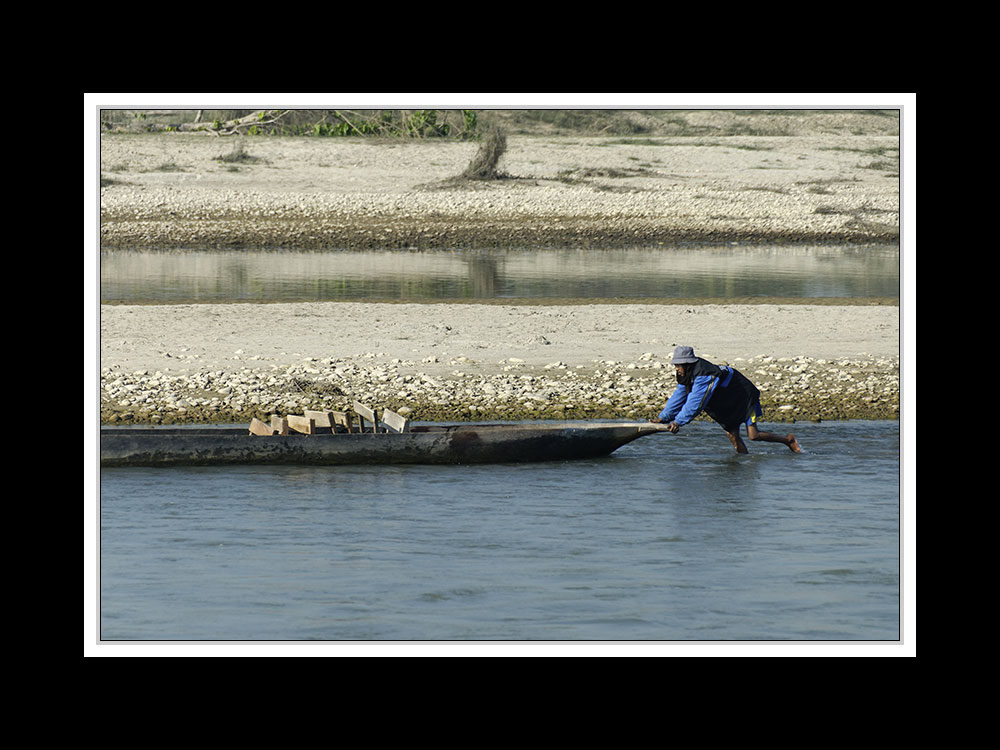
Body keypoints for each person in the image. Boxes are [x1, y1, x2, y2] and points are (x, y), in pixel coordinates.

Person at [650, 346, 802, 454]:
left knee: (753, 435)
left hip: (742, 396)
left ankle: (788, 440)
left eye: (679, 365)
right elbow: (680, 395)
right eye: (676, 365)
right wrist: (663, 418)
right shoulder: (684, 373)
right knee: (732, 436)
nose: (676, 368)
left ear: (688, 364)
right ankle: (743, 464)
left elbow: (695, 402)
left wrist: (678, 422)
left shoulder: (704, 374)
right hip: (724, 400)